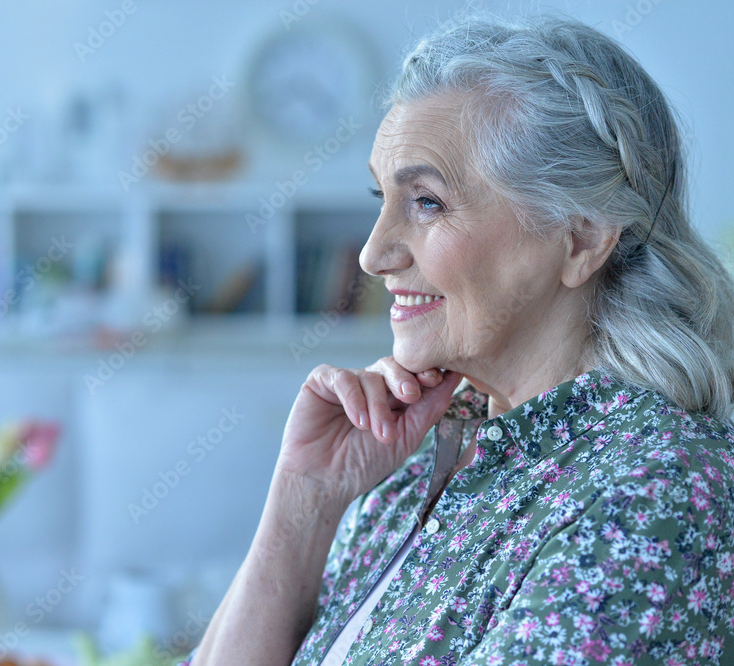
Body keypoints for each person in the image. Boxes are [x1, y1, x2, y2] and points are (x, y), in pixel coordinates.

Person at [179, 12, 734, 666]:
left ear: (581, 238)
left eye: (427, 202)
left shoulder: (654, 487)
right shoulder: (427, 455)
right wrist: (304, 499)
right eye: (381, 199)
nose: (371, 255)